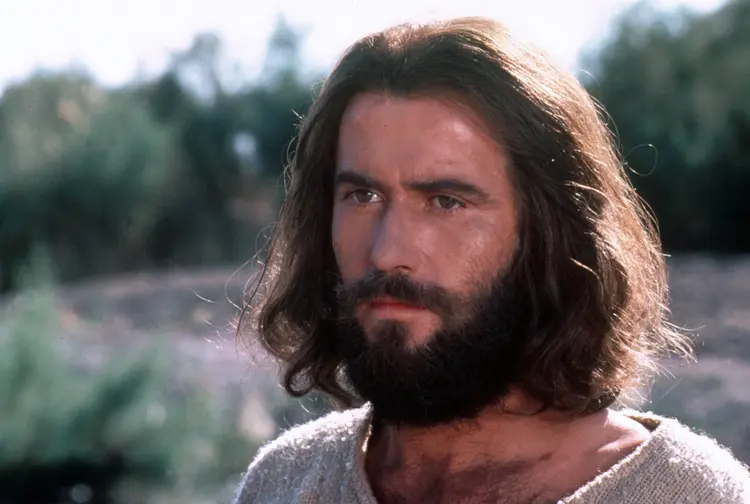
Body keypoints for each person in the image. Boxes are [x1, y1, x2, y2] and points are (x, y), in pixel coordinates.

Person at [233, 16, 750, 504]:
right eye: (362, 196)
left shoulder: (692, 495)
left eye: (446, 202)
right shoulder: (283, 483)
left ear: (549, 232)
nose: (387, 252)